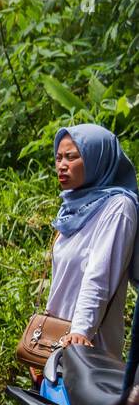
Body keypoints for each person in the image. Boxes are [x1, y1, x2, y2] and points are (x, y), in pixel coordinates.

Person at [45, 124, 139, 360]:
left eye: (71, 157)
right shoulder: (72, 210)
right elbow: (61, 284)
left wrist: (79, 331)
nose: (62, 165)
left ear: (97, 158)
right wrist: (45, 332)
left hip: (88, 350)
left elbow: (99, 275)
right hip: (55, 345)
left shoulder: (118, 207)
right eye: (58, 158)